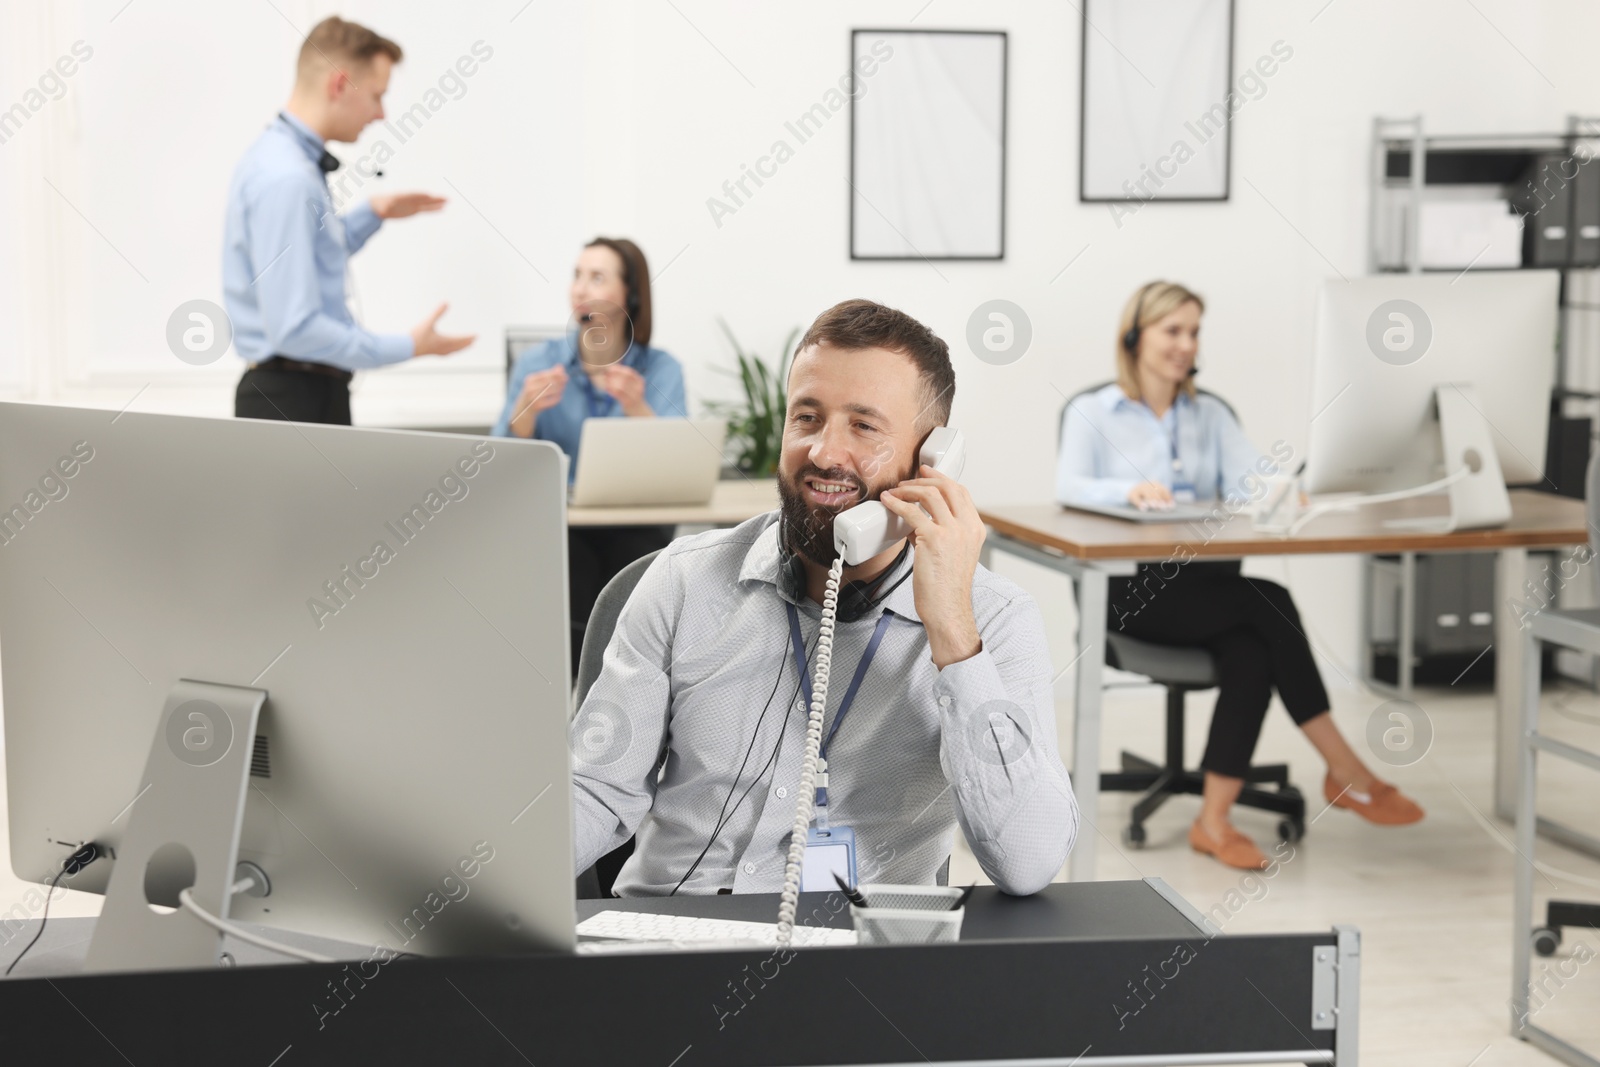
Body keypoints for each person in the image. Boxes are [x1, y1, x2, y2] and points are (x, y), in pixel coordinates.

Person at [569, 299, 1078, 897]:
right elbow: (598, 790)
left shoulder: (993, 620)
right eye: (807, 417)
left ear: (933, 459)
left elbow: (1028, 862)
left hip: (858, 961)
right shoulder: (684, 582)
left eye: (863, 425)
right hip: (672, 944)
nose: (825, 452)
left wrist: (952, 635)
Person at [1057, 281, 1424, 871]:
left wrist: (1283, 492)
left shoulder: (1211, 413)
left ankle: (1213, 821)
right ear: (1135, 336)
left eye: (1194, 331)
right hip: (1128, 593)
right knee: (1268, 601)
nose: (1186, 344)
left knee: (1253, 649)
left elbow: (1250, 480)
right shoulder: (1092, 412)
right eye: (1172, 330)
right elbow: (1068, 486)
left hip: (1204, 589)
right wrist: (1127, 489)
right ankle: (1345, 768)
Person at [225, 16, 473, 425]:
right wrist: (408, 346)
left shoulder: (282, 162)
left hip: (297, 395)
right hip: (294, 401)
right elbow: (295, 329)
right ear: (339, 85)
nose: (381, 114)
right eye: (377, 96)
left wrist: (372, 215)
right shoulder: (289, 179)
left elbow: (306, 254)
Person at [492, 238, 687, 674]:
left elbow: (679, 466)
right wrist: (523, 416)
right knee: (572, 582)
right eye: (577, 275)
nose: (580, 289)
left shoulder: (661, 370)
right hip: (563, 529)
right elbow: (498, 462)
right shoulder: (537, 365)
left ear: (631, 294)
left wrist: (640, 409)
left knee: (637, 594)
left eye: (596, 277)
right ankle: (576, 713)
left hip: (637, 525)